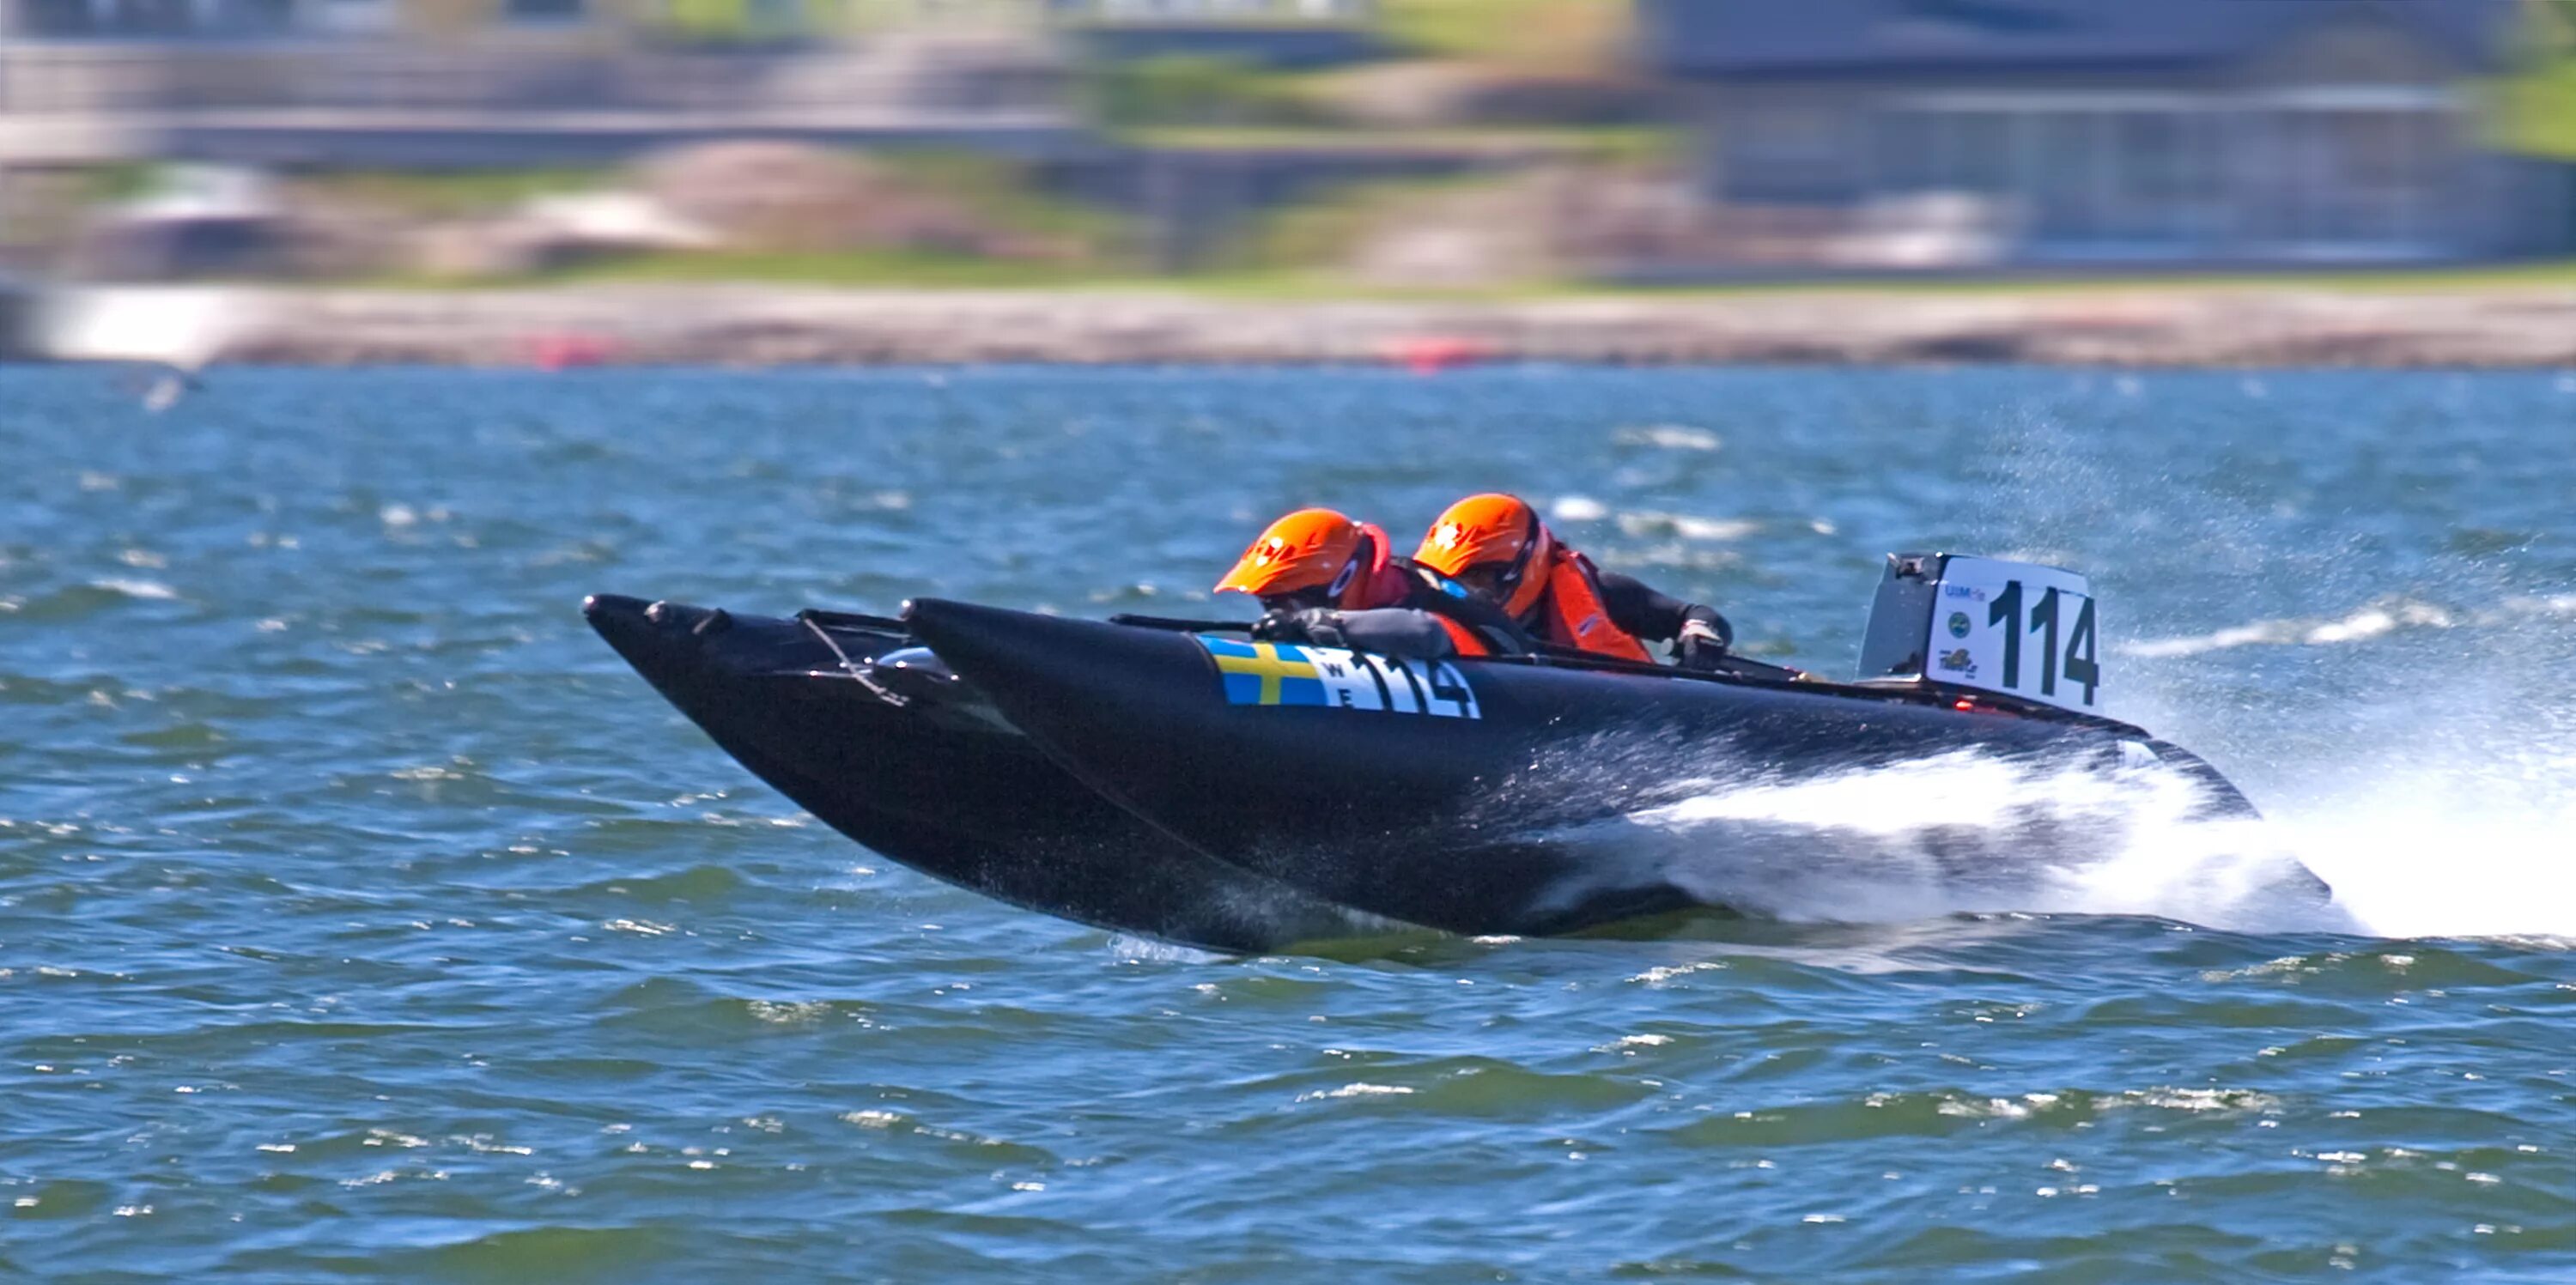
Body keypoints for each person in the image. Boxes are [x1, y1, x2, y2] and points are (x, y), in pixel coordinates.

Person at [1413, 493, 1732, 669]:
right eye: (1449, 581)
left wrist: (1699, 633)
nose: (1465, 594)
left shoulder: (1601, 592)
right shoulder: (1427, 611)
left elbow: (1695, 616)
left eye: (1480, 579)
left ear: (1530, 564)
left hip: (1622, 723)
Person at [1214, 508, 1528, 658]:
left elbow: (1424, 632)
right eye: (1270, 603)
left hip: (1513, 691)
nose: (1281, 612)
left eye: (1291, 601)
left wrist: (1312, 621)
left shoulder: (1418, 596)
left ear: (1346, 580)